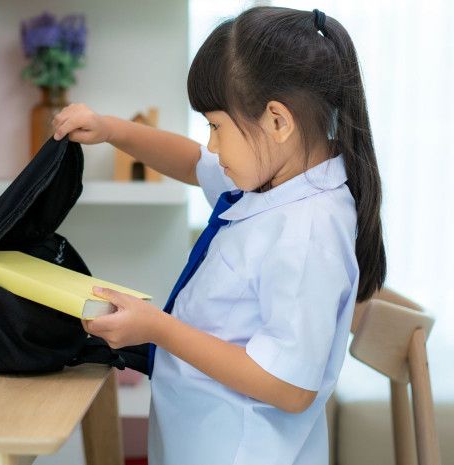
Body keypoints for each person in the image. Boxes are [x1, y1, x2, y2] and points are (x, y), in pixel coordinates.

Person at [51, 6, 386, 464]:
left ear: (277, 121)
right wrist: (112, 130)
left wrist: (157, 328)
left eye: (216, 126)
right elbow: (191, 163)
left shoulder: (308, 230)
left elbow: (289, 387)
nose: (211, 144)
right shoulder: (278, 177)